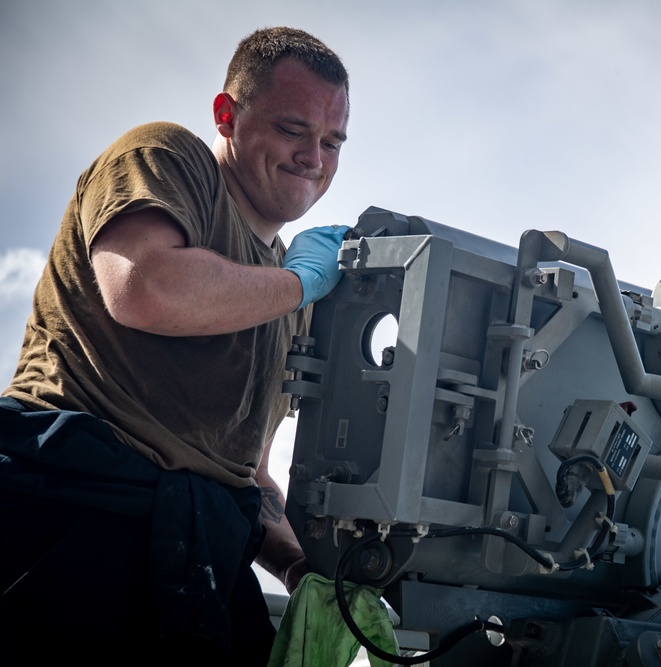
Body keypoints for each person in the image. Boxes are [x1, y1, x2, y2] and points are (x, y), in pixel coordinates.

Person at [0, 27, 351, 665]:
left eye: (332, 141)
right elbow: (144, 288)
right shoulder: (165, 155)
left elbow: (247, 472)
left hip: (196, 551)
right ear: (228, 115)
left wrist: (304, 570)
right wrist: (298, 285)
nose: (314, 157)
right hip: (71, 511)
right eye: (294, 129)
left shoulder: (284, 300)